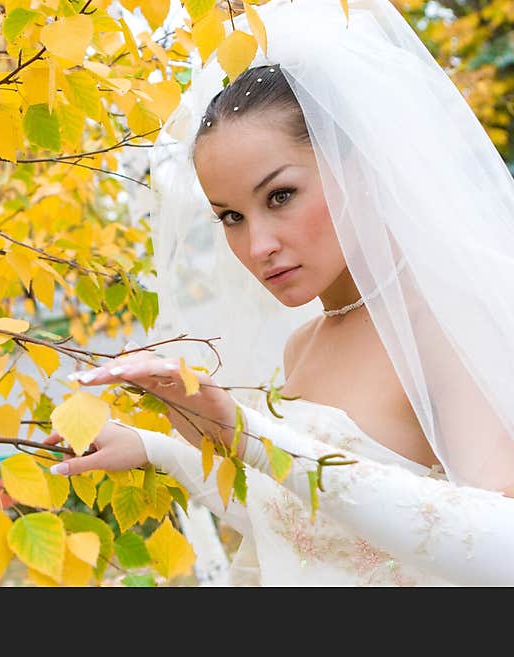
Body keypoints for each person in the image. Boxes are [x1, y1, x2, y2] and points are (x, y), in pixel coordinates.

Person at [45, 0, 514, 586]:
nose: (257, 244)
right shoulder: (304, 345)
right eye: (230, 216)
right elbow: (301, 526)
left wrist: (253, 436)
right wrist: (157, 448)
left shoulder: (444, 321)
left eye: (280, 196)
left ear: (360, 166)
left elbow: (501, 542)